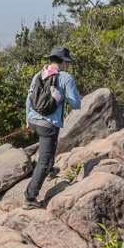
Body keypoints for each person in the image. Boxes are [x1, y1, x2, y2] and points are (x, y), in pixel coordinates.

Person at [22, 46, 81, 210]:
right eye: (67, 62)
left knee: (48, 150)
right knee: (45, 159)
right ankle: (29, 198)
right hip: (49, 125)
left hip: (33, 121)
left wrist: (28, 119)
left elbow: (29, 100)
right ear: (63, 62)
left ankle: (49, 170)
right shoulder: (66, 78)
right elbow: (76, 104)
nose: (67, 65)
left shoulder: (38, 75)